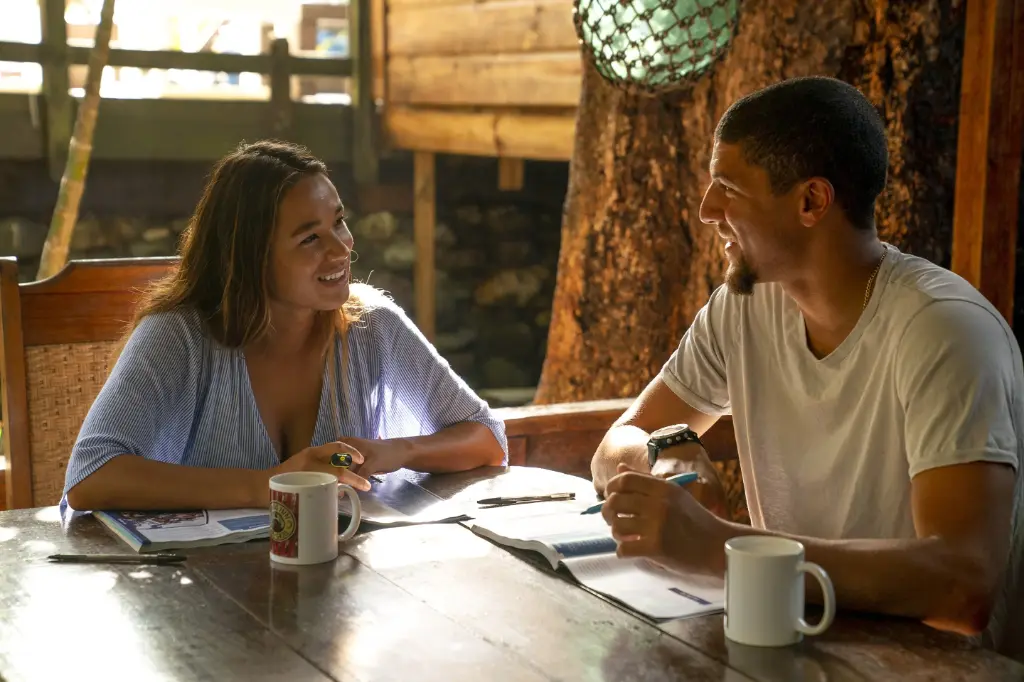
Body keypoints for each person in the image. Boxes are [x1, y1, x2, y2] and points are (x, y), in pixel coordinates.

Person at [591, 76, 1023, 660]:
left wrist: (722, 548)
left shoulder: (942, 330)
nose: (705, 210)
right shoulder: (745, 306)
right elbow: (621, 439)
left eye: (728, 189)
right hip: (798, 648)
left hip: (933, 669)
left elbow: (963, 584)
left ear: (811, 202)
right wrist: (666, 454)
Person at [63, 140, 508, 513]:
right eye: (310, 238)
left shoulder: (371, 325)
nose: (342, 250)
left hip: (342, 590)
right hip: (202, 596)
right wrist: (269, 485)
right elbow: (91, 475)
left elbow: (487, 438)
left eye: (339, 222)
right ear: (249, 256)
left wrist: (398, 452)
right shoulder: (179, 336)